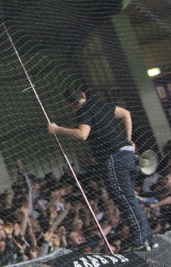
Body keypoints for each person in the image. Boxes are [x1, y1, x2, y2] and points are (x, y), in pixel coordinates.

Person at [47, 87, 156, 252]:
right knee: (129, 198)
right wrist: (128, 140)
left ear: (69, 104)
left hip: (114, 159)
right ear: (83, 94)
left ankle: (141, 239)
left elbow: (82, 134)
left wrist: (57, 129)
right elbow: (126, 113)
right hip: (127, 155)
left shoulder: (83, 110)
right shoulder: (101, 105)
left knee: (125, 199)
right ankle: (147, 238)